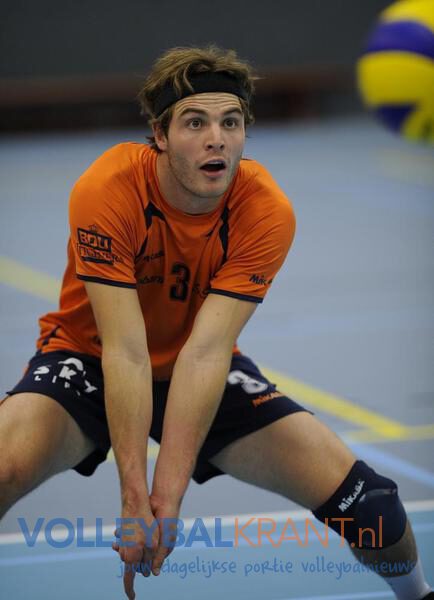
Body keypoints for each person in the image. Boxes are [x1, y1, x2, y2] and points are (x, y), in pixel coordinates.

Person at [0, 46, 432, 600]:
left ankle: (417, 594)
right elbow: (126, 351)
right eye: (195, 123)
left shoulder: (265, 209)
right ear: (160, 135)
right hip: (90, 357)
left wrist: (168, 500)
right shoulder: (108, 188)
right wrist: (134, 498)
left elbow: (206, 352)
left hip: (198, 363)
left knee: (370, 505)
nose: (216, 139)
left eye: (230, 122)